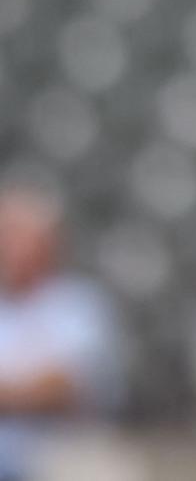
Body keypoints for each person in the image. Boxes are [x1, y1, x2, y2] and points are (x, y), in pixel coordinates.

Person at [0, 188, 122, 481]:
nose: (11, 247)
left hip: (60, 457)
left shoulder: (80, 305)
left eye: (21, 236)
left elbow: (62, 388)